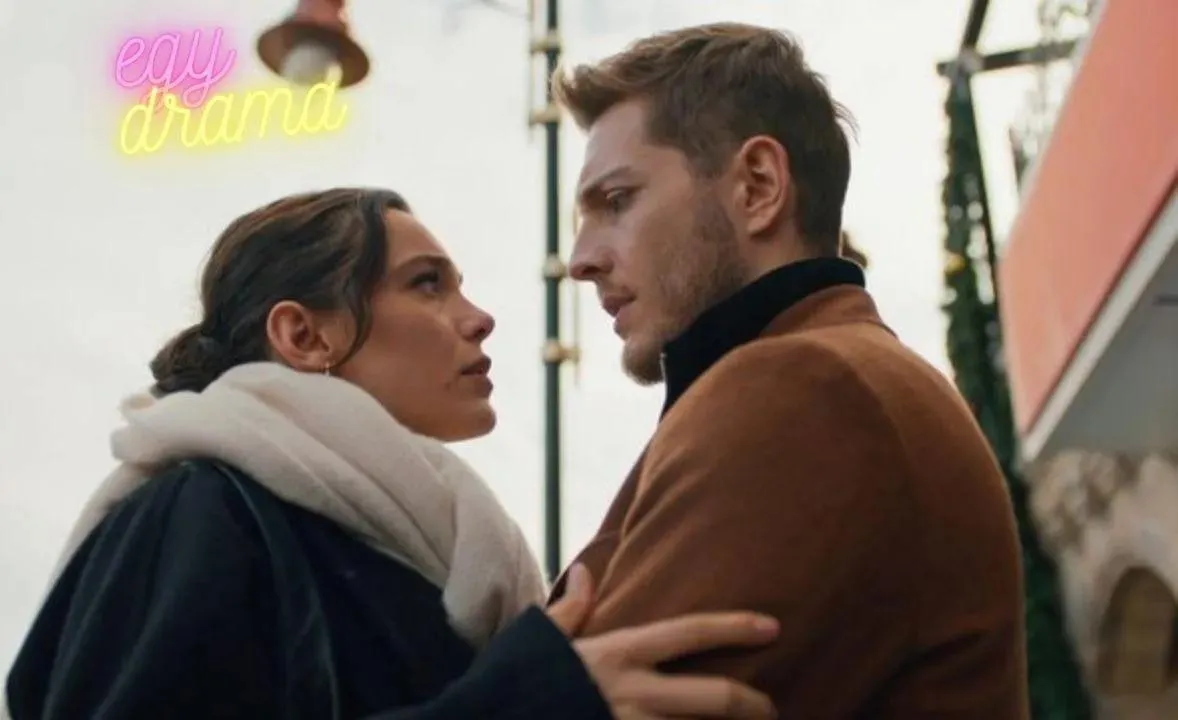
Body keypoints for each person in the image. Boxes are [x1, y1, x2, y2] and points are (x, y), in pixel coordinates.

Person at [4, 188, 782, 720]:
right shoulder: (199, 509)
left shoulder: (442, 554)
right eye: (427, 284)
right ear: (304, 336)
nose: (478, 318)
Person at [549, 22, 1030, 718]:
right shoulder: (835, 370)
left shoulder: (807, 388)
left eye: (617, 201)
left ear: (758, 186)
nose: (581, 260)